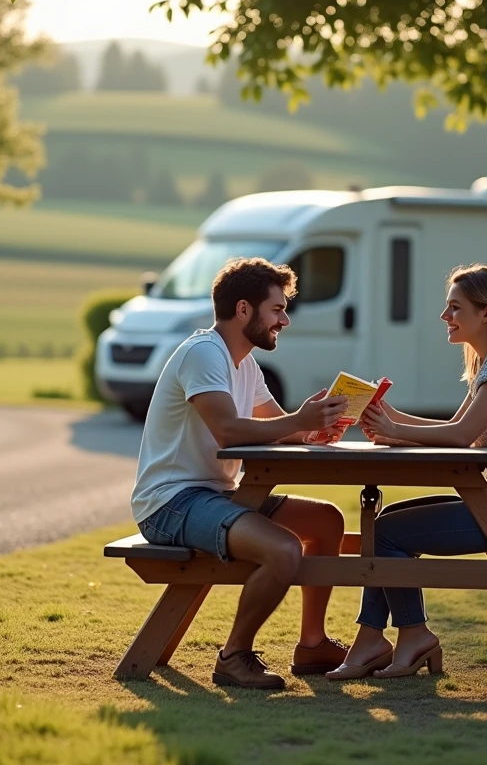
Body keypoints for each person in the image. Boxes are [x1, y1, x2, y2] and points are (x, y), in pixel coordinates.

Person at [326, 263, 487, 680]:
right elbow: (455, 430)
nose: (445, 317)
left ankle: (405, 637)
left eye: (454, 308)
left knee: (388, 534)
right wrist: (391, 420)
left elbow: (461, 437)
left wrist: (396, 431)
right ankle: (381, 639)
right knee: (385, 526)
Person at [130, 256, 352, 690]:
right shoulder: (203, 354)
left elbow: (274, 424)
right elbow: (230, 430)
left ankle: (312, 645)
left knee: (328, 521)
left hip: (214, 496)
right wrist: (296, 423)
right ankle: (234, 657)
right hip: (171, 503)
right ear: (244, 310)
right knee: (284, 550)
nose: (285, 319)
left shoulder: (244, 363)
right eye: (277, 309)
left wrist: (312, 428)